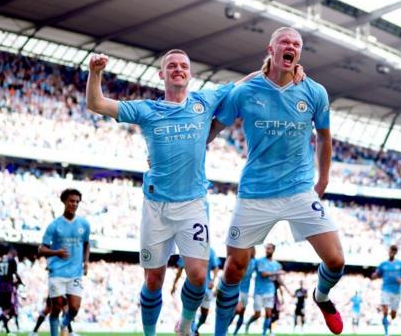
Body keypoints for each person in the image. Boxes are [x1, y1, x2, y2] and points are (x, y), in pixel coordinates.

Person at [85, 49, 302, 336]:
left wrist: (282, 69)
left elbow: (246, 83)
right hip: (156, 207)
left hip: (193, 205)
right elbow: (96, 103)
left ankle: (185, 326)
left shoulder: (204, 101)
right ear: (162, 75)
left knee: (199, 278)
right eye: (171, 66)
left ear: (190, 74)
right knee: (153, 280)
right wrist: (95, 72)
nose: (178, 69)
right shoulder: (147, 109)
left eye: (183, 65)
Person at [209, 26, 345, 336]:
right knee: (234, 269)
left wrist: (322, 180)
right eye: (284, 42)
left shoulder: (314, 92)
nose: (291, 46)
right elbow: (214, 127)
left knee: (336, 261)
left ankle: (322, 297)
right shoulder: (246, 91)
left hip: (299, 189)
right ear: (270, 50)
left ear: (299, 54)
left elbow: (324, 138)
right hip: (256, 192)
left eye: (296, 44)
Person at [39, 188, 90, 336]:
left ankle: (64, 324)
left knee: (74, 308)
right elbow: (41, 249)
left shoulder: (84, 224)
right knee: (57, 306)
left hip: (75, 273)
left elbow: (87, 244)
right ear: (64, 202)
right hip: (57, 272)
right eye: (71, 201)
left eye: (77, 202)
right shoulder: (54, 225)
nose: (74, 204)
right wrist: (56, 252)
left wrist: (86, 262)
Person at [171, 248, 221, 336]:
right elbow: (180, 269)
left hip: (206, 289)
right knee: (191, 313)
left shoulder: (210, 251)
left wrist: (213, 280)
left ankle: (194, 328)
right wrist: (174, 284)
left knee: (204, 316)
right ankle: (192, 331)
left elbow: (216, 267)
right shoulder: (188, 248)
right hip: (192, 288)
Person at [244, 244, 283, 335]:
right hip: (259, 292)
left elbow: (278, 279)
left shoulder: (277, 264)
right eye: (266, 249)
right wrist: (276, 272)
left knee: (269, 314)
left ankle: (264, 333)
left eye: (269, 249)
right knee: (257, 315)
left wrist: (287, 290)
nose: (267, 250)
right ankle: (248, 324)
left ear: (273, 250)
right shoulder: (260, 261)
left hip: (270, 291)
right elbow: (263, 274)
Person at [371, 245, 401, 336]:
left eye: (394, 251)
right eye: (391, 250)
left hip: (397, 291)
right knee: (385, 309)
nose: (392, 252)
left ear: (396, 252)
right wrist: (374, 275)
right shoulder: (383, 264)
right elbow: (377, 273)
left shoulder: (400, 264)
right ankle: (386, 332)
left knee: (393, 314)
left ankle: (390, 320)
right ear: (388, 252)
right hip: (386, 289)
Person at [0, 248, 23, 334]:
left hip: (0, 287)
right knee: (11, 307)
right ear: (13, 254)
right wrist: (20, 281)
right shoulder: (12, 261)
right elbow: (15, 273)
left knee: (4, 310)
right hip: (8, 286)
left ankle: (8, 331)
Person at [230, 247, 256, 336]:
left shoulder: (254, 262)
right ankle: (225, 329)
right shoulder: (242, 260)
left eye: (253, 250)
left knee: (241, 313)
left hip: (246, 291)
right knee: (237, 310)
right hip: (238, 289)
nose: (252, 251)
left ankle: (235, 333)